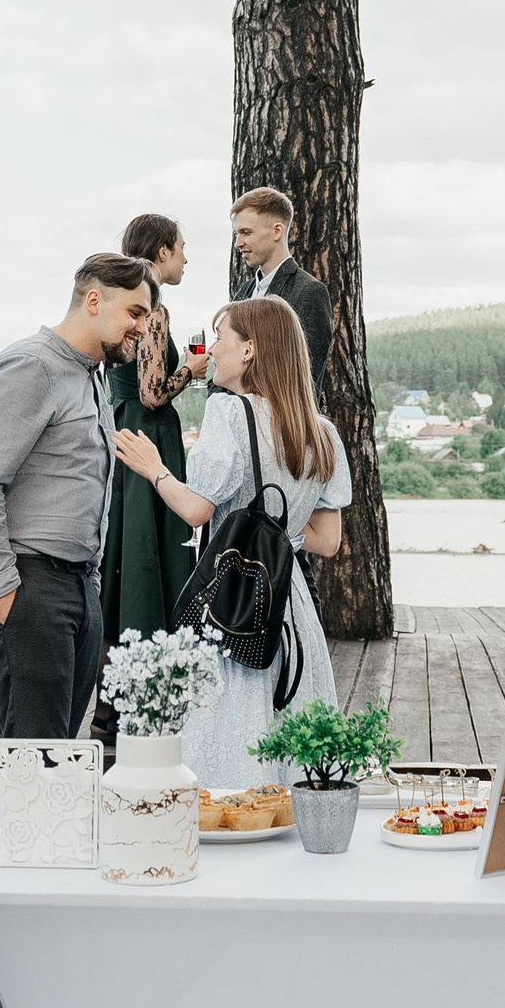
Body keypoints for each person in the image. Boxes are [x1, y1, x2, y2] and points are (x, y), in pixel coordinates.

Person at [114, 295, 345, 787]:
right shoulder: (322, 432)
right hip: (290, 604)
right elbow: (326, 541)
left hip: (234, 600)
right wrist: (274, 537)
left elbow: (197, 510)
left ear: (249, 351)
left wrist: (155, 470)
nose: (212, 349)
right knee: (293, 728)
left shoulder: (227, 414)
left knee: (229, 731)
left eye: (221, 337)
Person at [0, 254, 152, 740]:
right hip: (27, 582)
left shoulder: (92, 376)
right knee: (35, 758)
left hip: (75, 587)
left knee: (57, 753)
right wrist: (4, 591)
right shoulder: (31, 367)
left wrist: (92, 585)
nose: (143, 328)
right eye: (136, 312)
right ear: (93, 299)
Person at [101, 213, 210, 641]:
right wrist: (191, 368)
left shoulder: (119, 301)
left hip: (122, 423)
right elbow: (152, 392)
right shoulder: (154, 309)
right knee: (150, 539)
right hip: (148, 431)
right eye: (182, 249)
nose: (186, 259)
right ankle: (152, 632)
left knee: (125, 540)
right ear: (163, 251)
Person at [229, 187, 331, 398]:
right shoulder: (244, 292)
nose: (238, 243)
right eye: (236, 234)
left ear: (277, 231)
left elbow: (307, 381)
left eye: (246, 232)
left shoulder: (309, 292)